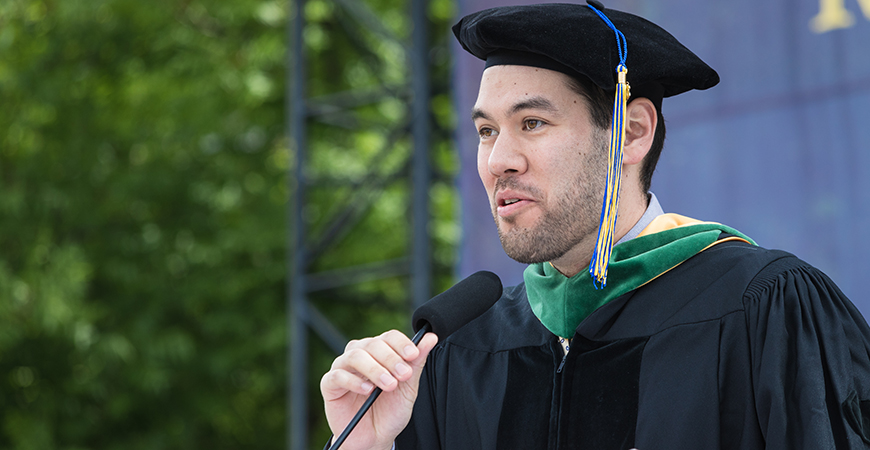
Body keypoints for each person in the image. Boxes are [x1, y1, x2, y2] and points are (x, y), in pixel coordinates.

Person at [320, 3, 870, 449]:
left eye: (531, 123)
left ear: (631, 133)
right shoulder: (460, 353)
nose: (497, 161)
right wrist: (366, 446)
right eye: (487, 131)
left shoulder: (764, 310)